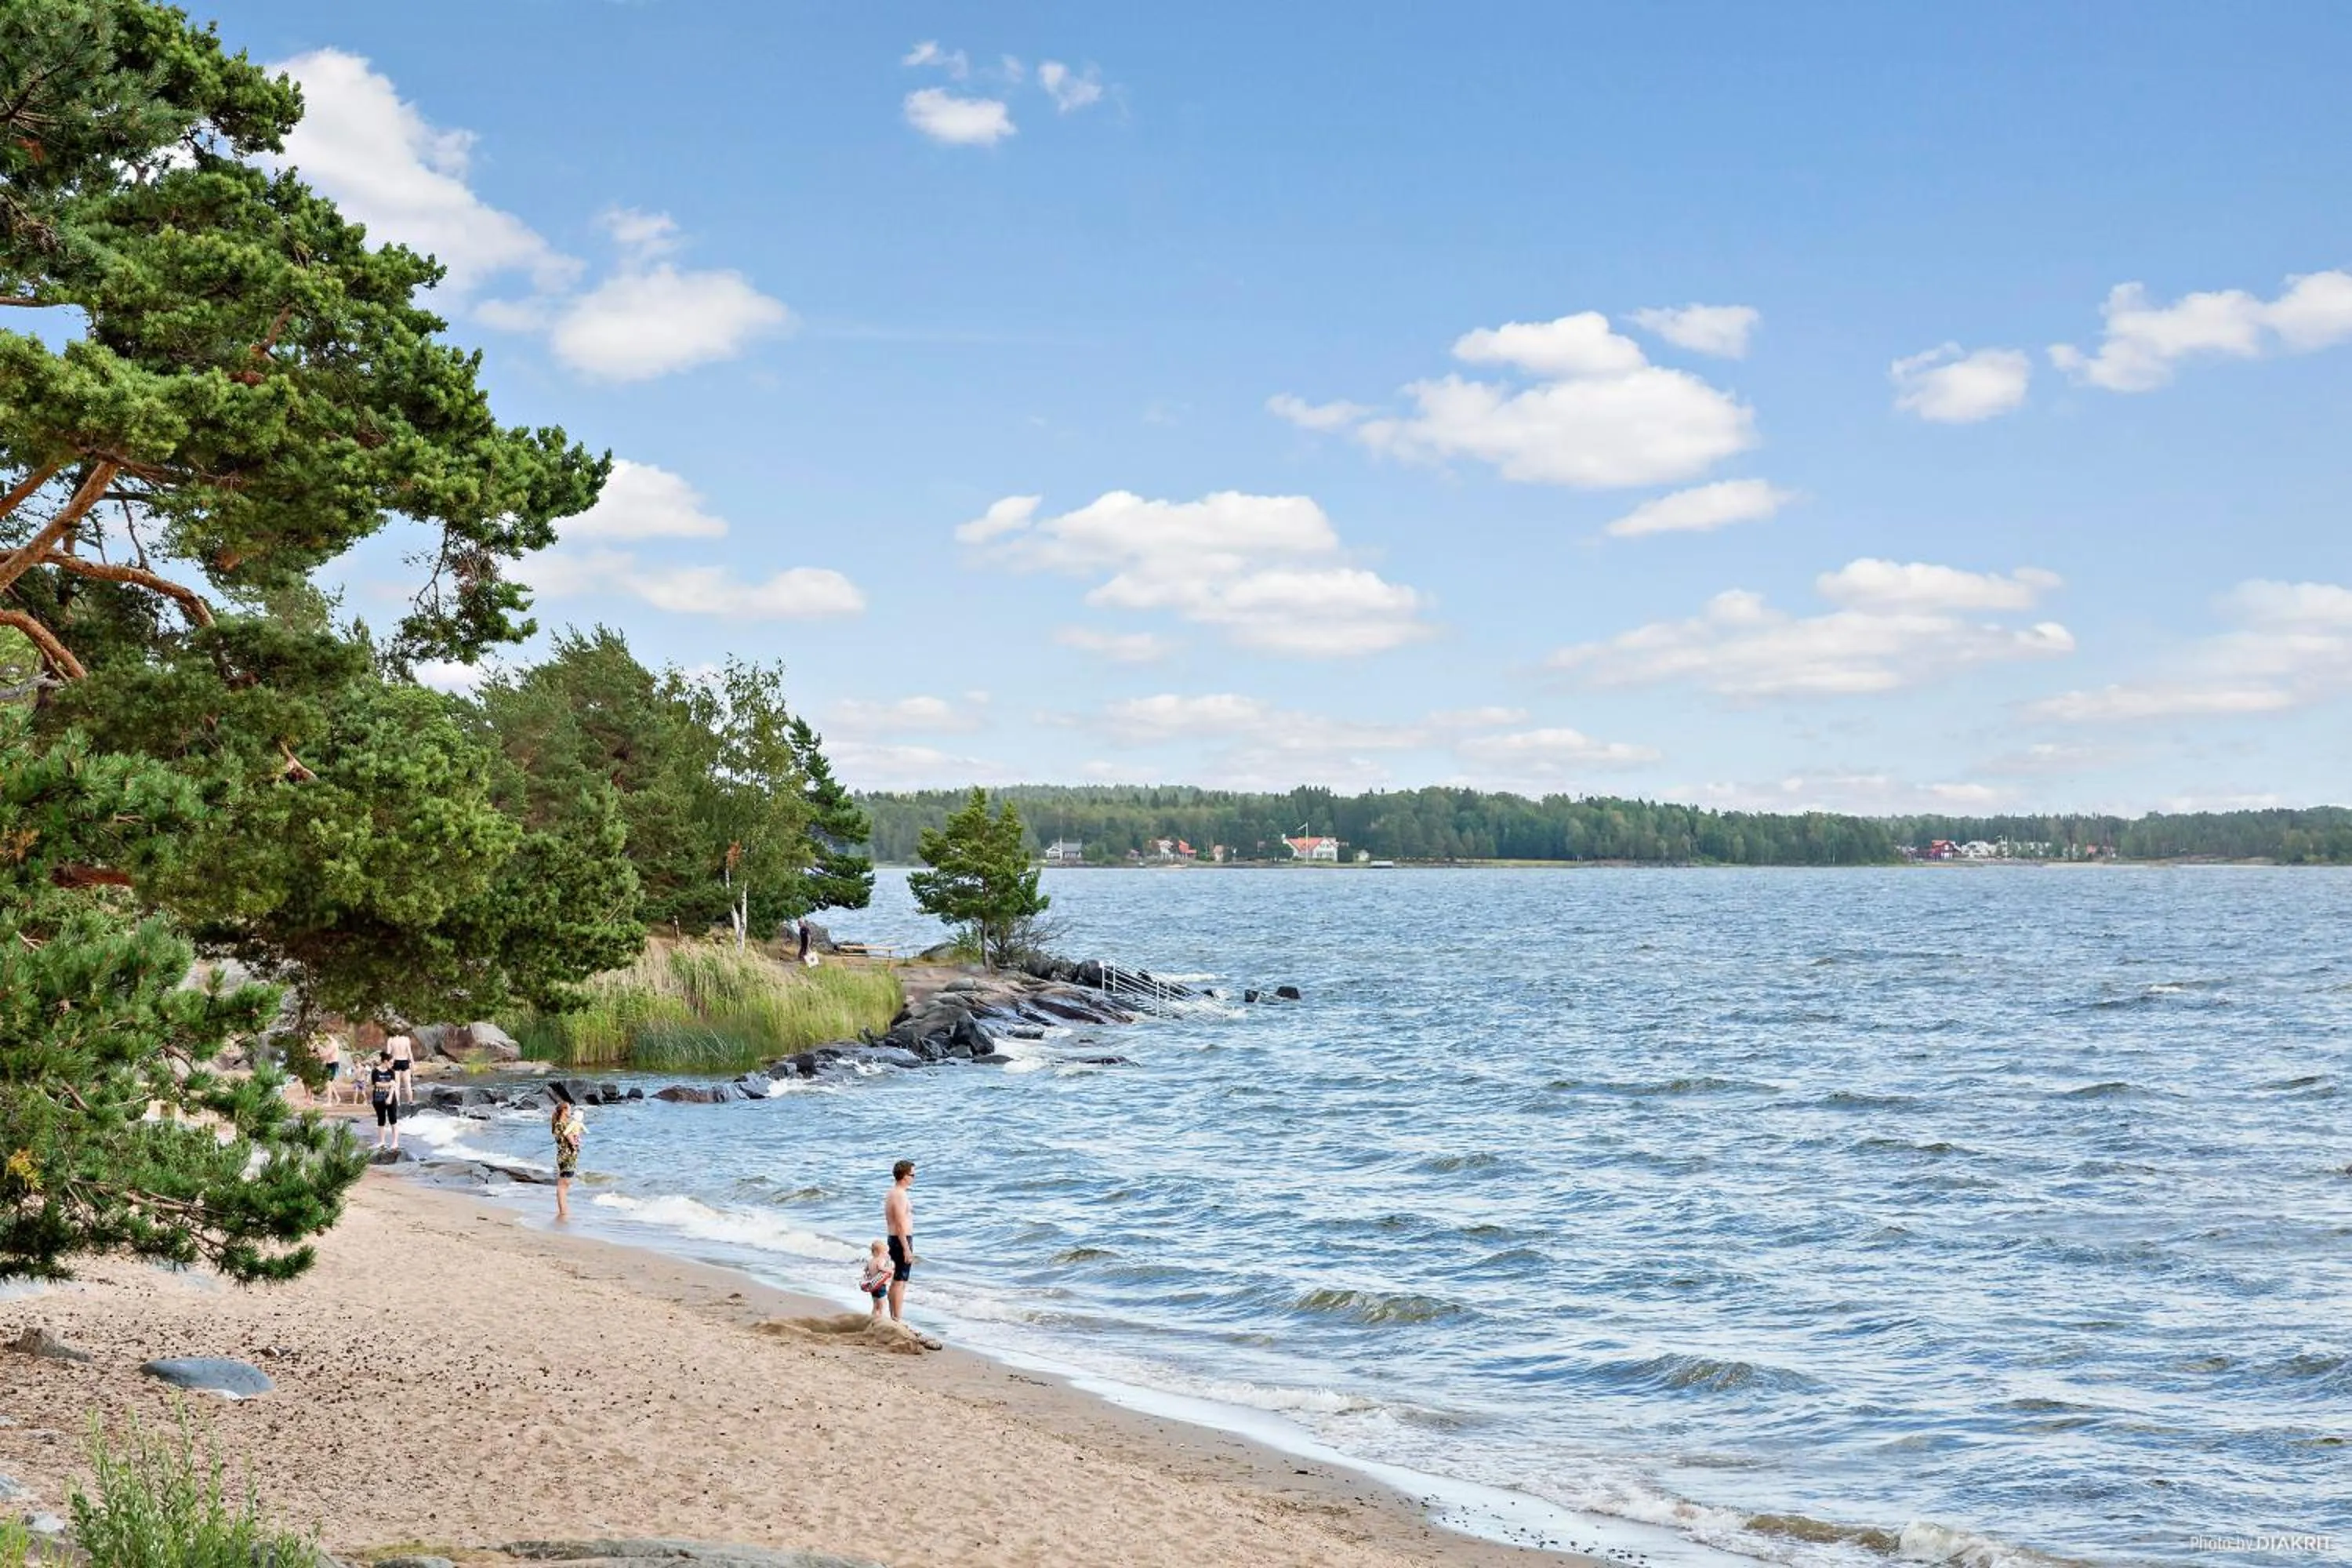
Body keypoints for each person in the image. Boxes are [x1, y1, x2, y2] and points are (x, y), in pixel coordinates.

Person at [884, 1159, 916, 1322]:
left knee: (898, 1279)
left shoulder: (892, 1193)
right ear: (904, 1176)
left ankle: (895, 1317)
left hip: (895, 1238)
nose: (914, 1178)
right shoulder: (899, 1195)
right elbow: (900, 1223)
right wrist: (906, 1248)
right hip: (900, 1239)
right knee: (900, 1281)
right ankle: (897, 1319)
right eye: (912, 1175)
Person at [551, 1098, 586, 1221]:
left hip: (564, 1156)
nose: (571, 1111)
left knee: (564, 1184)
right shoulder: (562, 1124)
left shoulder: (560, 1124)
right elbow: (570, 1139)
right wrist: (576, 1143)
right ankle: (563, 1211)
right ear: (564, 1111)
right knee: (563, 1185)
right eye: (569, 1109)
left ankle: (563, 1210)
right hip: (566, 1157)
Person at [367, 1049, 401, 1152]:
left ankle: (395, 1142)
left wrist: (390, 1097)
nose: (392, 1064)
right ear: (385, 1061)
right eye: (391, 1062)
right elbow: (377, 1084)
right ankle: (382, 1141)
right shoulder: (375, 1071)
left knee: (393, 1119)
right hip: (378, 1097)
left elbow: (393, 1086)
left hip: (390, 1097)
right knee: (381, 1120)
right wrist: (389, 1084)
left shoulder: (391, 1072)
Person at [858, 1240, 892, 1319]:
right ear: (880, 1252)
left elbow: (866, 1270)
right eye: (885, 1252)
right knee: (882, 1305)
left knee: (875, 1304)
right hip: (880, 1286)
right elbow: (880, 1268)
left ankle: (872, 1318)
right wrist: (890, 1270)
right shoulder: (880, 1260)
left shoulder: (871, 1261)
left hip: (873, 1285)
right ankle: (880, 1319)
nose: (886, 1254)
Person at [387, 1033, 416, 1105]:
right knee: (408, 1084)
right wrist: (413, 1064)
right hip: (404, 1061)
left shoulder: (391, 1039)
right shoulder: (406, 1039)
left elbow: (388, 1053)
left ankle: (397, 1103)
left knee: (396, 1085)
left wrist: (388, 1065)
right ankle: (410, 1102)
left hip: (395, 1061)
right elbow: (409, 1052)